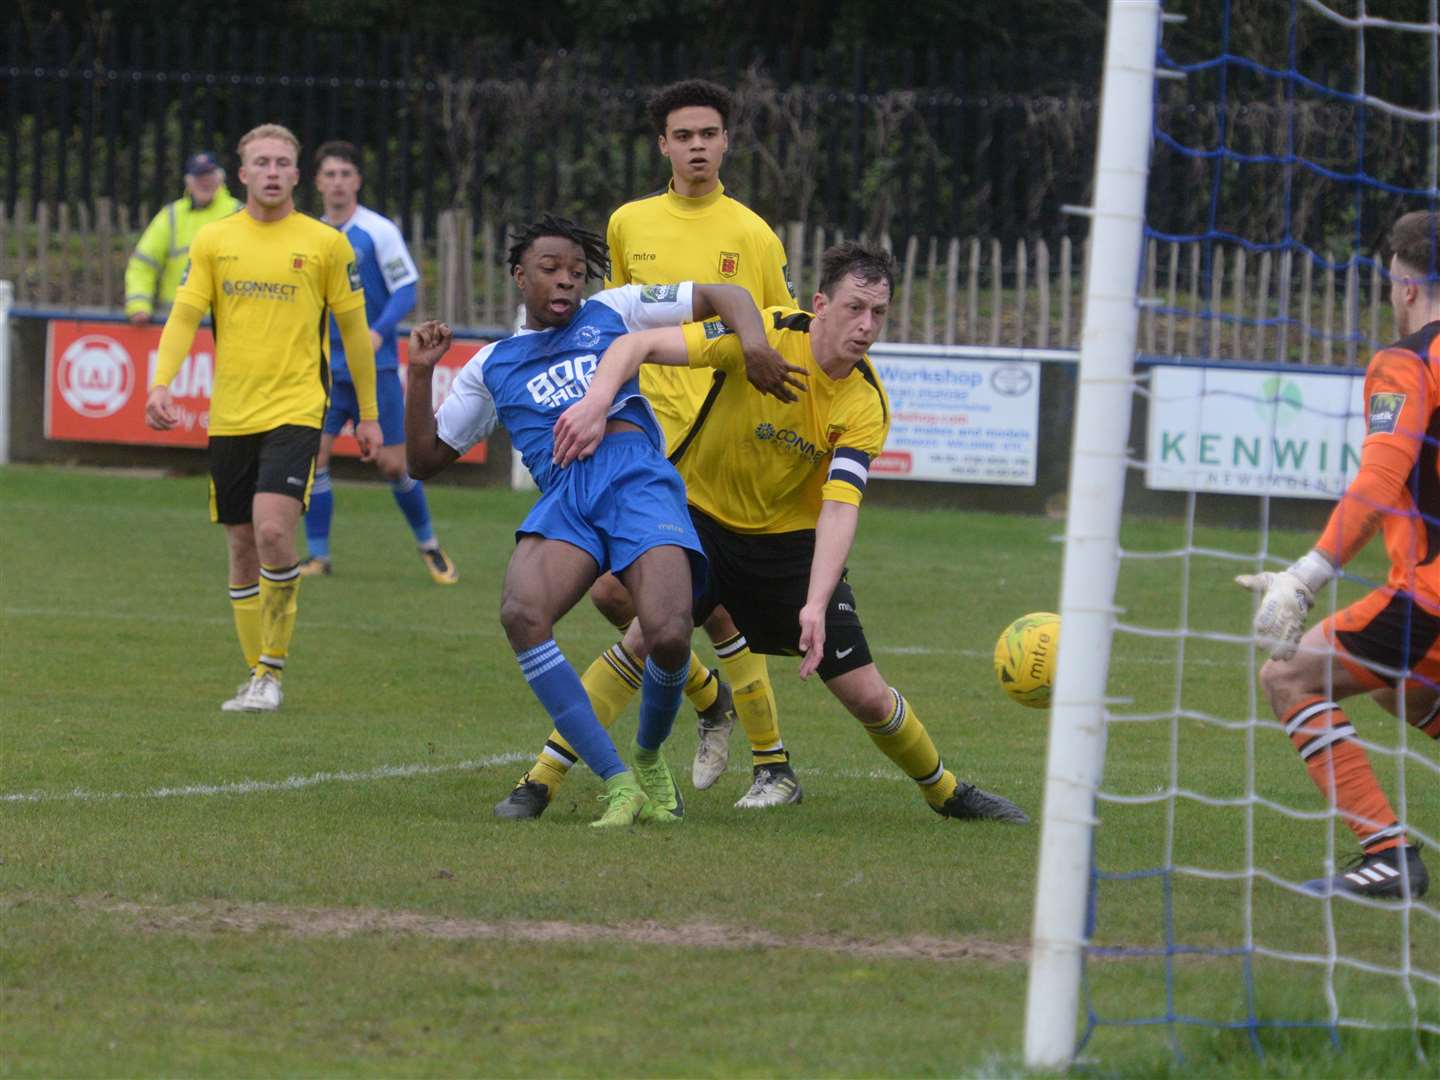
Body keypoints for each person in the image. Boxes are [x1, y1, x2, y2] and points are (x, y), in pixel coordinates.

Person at [549, 241, 1029, 827]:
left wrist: (817, 603)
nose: (867, 326)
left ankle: (946, 792)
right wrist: (597, 402)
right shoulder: (768, 337)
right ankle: (541, 781)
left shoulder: (864, 402)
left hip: (785, 546)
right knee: (641, 629)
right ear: (821, 303)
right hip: (696, 517)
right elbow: (639, 343)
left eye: (879, 313)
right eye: (855, 308)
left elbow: (839, 508)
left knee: (867, 695)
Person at [404, 214, 800, 828]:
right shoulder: (491, 365)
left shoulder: (613, 309)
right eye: (550, 270)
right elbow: (424, 460)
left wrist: (753, 346)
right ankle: (618, 781)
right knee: (521, 613)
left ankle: (646, 757)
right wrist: (421, 372)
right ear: (519, 276)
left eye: (576, 272)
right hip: (567, 497)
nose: (566, 282)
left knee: (668, 632)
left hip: (637, 479)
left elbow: (729, 294)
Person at [496, 78, 802, 820]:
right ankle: (710, 704)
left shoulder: (754, 234)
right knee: (618, 595)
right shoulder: (630, 224)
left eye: (709, 133)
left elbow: (773, 326)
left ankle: (555, 778)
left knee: (706, 606)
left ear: (727, 142)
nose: (697, 145)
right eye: (683, 134)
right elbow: (614, 330)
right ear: (663, 145)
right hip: (638, 441)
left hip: (717, 443)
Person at [1235, 210, 1439, 900]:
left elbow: (1380, 480)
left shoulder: (1404, 362)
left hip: (1430, 595)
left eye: (1390, 284)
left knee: (1287, 679)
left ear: (1405, 289)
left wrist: (1305, 575)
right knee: (1398, 688)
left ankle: (1387, 856)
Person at [144, 123, 381, 713]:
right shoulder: (214, 241)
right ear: (242, 173)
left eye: (282, 162)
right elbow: (183, 316)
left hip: (296, 409)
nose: (272, 171)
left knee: (275, 530)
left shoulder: (327, 243)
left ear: (297, 175)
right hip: (230, 415)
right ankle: (256, 674)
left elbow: (355, 332)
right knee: (241, 542)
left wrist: (370, 415)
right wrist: (160, 383)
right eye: (261, 163)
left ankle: (270, 673)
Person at [297, 140, 458, 585]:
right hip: (324, 370)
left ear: (357, 181)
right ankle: (317, 555)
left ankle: (429, 546)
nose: (337, 183)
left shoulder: (377, 230)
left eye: (345, 174)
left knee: (393, 466)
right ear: (317, 182)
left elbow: (406, 287)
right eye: (329, 175)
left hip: (376, 368)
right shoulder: (307, 233)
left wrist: (377, 330)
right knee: (317, 458)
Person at [125, 151, 241, 324]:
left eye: (209, 175)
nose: (205, 181)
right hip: (177, 324)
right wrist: (138, 305)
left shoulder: (240, 214)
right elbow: (143, 263)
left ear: (220, 178)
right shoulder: (171, 216)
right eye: (198, 176)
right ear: (188, 182)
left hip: (228, 326)